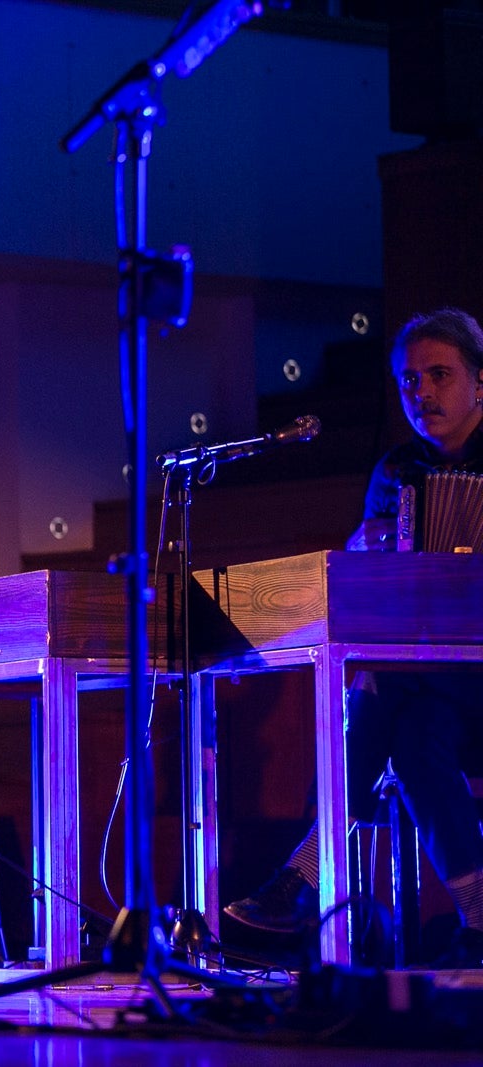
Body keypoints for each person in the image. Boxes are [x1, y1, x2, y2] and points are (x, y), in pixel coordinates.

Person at [225, 307, 483, 967]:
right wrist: (358, 549)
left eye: (437, 375)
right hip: (430, 690)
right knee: (415, 734)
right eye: (407, 380)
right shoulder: (398, 471)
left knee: (383, 687)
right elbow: (359, 583)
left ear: (479, 383)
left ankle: (304, 874)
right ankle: (479, 917)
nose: (419, 391)